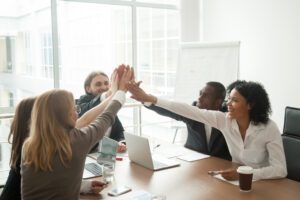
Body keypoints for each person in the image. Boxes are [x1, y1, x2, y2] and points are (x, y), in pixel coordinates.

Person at [0, 68, 129, 200]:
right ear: (60, 115)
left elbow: (49, 183)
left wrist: (84, 186)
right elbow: (106, 117)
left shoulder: (29, 145)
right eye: (72, 109)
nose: (77, 113)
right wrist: (120, 92)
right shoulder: (76, 140)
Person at [128, 80, 287, 181]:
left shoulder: (269, 128)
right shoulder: (225, 120)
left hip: (267, 183)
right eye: (229, 99)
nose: (229, 104)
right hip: (236, 182)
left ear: (250, 105)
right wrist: (150, 98)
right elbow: (189, 111)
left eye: (235, 100)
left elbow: (280, 169)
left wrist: (247, 174)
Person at [144, 82, 231, 160]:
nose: (199, 98)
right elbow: (170, 111)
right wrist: (144, 99)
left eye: (205, 95)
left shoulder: (227, 117)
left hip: (220, 165)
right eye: (200, 94)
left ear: (218, 102)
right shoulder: (192, 111)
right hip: (191, 162)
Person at [77, 70, 127, 153]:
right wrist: (109, 94)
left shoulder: (110, 106)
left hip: (107, 157)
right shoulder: (83, 102)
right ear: (88, 88)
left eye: (106, 83)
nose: (104, 87)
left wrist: (121, 143)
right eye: (98, 84)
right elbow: (89, 109)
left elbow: (120, 132)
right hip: (87, 157)